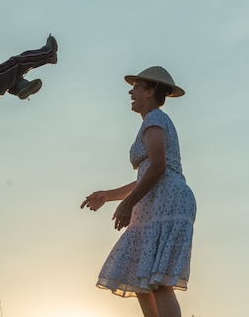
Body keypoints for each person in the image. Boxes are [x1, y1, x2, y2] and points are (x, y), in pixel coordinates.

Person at [81, 66, 197, 317]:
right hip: (155, 200)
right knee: (141, 277)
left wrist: (127, 204)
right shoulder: (152, 121)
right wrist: (109, 195)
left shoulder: (155, 119)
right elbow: (148, 174)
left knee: (158, 281)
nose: (130, 92)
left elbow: (158, 167)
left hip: (167, 200)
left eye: (136, 87)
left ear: (150, 90)